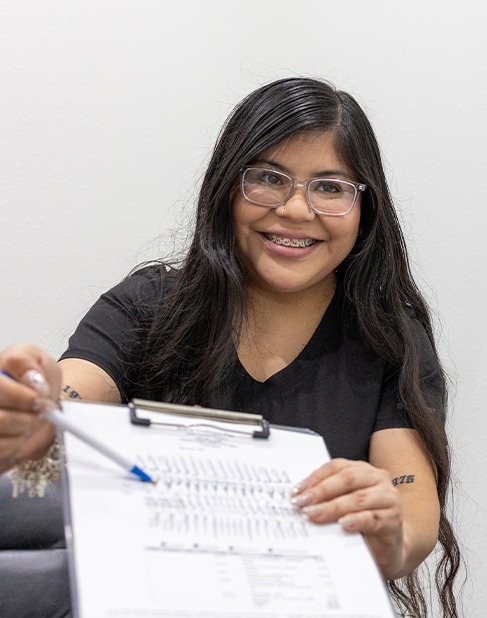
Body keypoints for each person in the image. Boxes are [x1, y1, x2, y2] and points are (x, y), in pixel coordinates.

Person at [0, 77, 460, 616]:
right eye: (268, 178)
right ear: (227, 187)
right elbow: (71, 397)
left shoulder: (390, 337)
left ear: (366, 209)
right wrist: (33, 413)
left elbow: (412, 514)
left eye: (331, 187)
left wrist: (387, 531)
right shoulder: (148, 303)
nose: (295, 210)